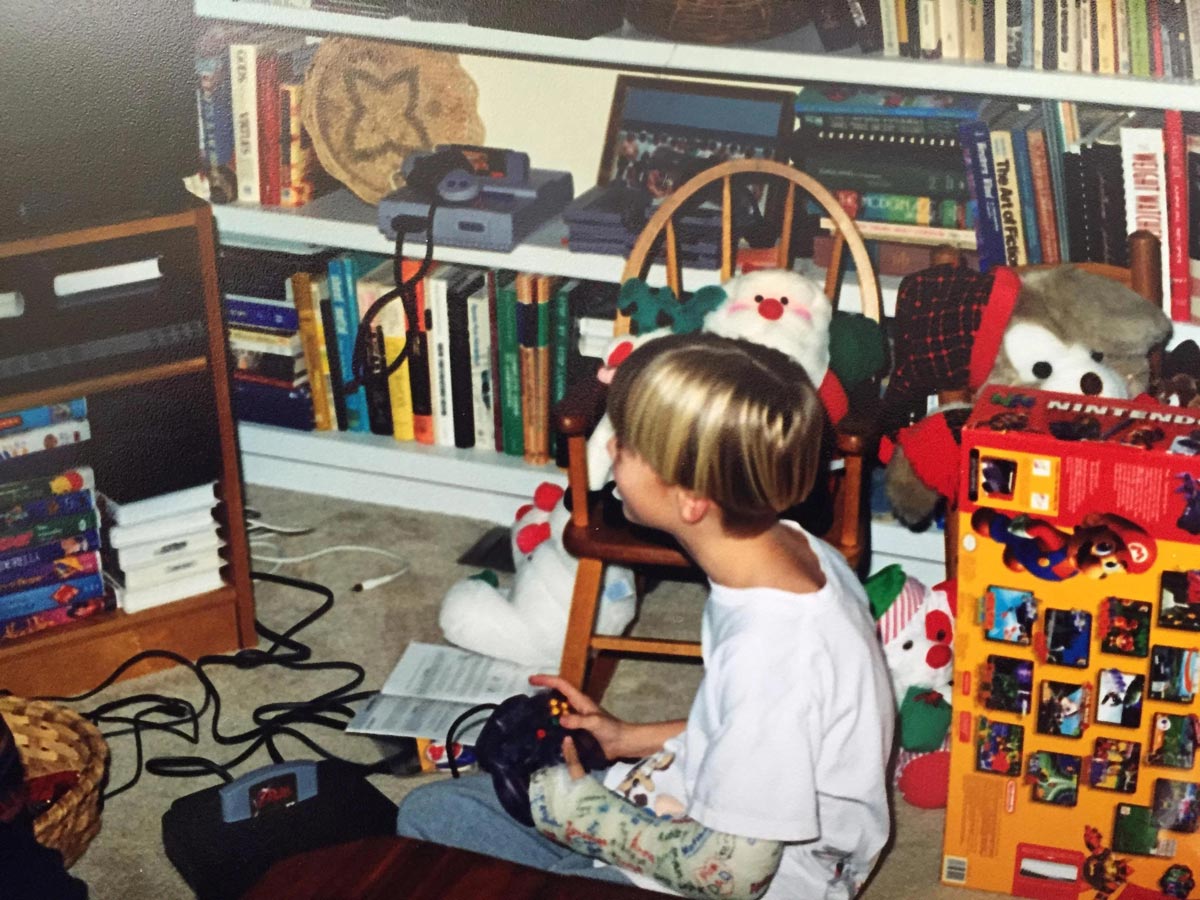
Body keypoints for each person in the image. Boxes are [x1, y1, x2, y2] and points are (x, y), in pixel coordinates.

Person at [397, 333, 894, 899]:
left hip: (760, 879)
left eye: (627, 444)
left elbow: (734, 873)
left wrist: (584, 819)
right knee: (432, 816)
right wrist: (626, 739)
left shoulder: (772, 651)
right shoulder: (792, 549)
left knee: (490, 876)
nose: (610, 452)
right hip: (686, 809)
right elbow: (770, 740)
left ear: (691, 499)